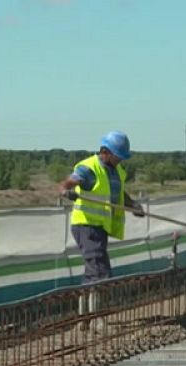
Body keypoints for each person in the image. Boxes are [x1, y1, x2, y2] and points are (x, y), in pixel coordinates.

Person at [57, 131, 145, 329]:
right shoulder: (90, 168)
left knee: (93, 270)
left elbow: (118, 192)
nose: (120, 160)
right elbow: (69, 181)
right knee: (100, 270)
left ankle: (83, 319)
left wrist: (133, 205)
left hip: (100, 226)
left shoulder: (116, 171)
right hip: (86, 225)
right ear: (105, 152)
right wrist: (65, 190)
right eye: (118, 156)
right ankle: (97, 319)